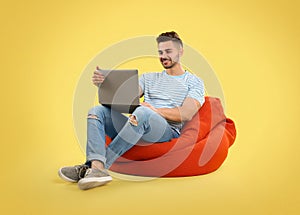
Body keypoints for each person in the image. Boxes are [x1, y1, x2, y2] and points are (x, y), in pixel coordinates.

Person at [58, 31, 205, 190]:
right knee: (97, 111)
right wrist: (107, 85)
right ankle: (95, 168)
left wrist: (154, 110)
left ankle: (95, 168)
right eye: (160, 52)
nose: (163, 56)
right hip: (138, 123)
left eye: (168, 51)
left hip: (166, 130)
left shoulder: (193, 82)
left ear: (180, 51)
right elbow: (128, 97)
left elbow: (186, 113)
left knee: (143, 112)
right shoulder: (148, 78)